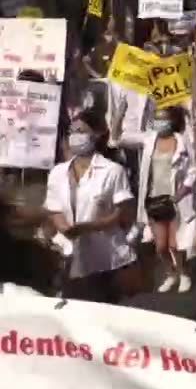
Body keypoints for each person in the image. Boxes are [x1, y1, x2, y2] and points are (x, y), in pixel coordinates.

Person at [44, 111, 142, 303]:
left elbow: (122, 215)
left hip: (106, 259)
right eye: (71, 131)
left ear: (96, 134)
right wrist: (64, 227)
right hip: (69, 258)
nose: (74, 136)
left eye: (81, 131)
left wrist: (88, 227)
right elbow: (53, 207)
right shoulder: (57, 172)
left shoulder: (113, 171)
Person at [115, 105, 196, 294]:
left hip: (175, 200)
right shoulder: (148, 139)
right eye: (156, 118)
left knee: (174, 243)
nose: (158, 122)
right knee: (161, 246)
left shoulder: (182, 142)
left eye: (163, 118)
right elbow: (118, 138)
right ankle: (171, 273)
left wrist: (182, 192)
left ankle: (183, 273)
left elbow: (193, 169)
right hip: (153, 199)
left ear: (172, 122)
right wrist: (119, 115)